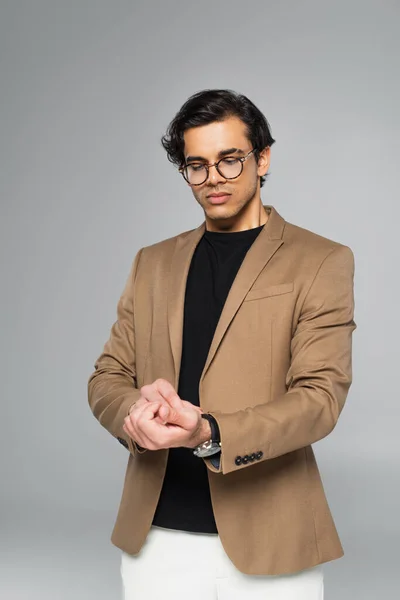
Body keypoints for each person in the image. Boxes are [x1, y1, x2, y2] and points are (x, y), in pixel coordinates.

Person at [87, 89, 356, 600]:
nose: (214, 179)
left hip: (274, 540)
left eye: (230, 160)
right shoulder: (153, 262)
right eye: (197, 165)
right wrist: (133, 418)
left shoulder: (321, 259)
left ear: (263, 158)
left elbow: (321, 399)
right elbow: (107, 376)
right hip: (156, 541)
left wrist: (209, 433)